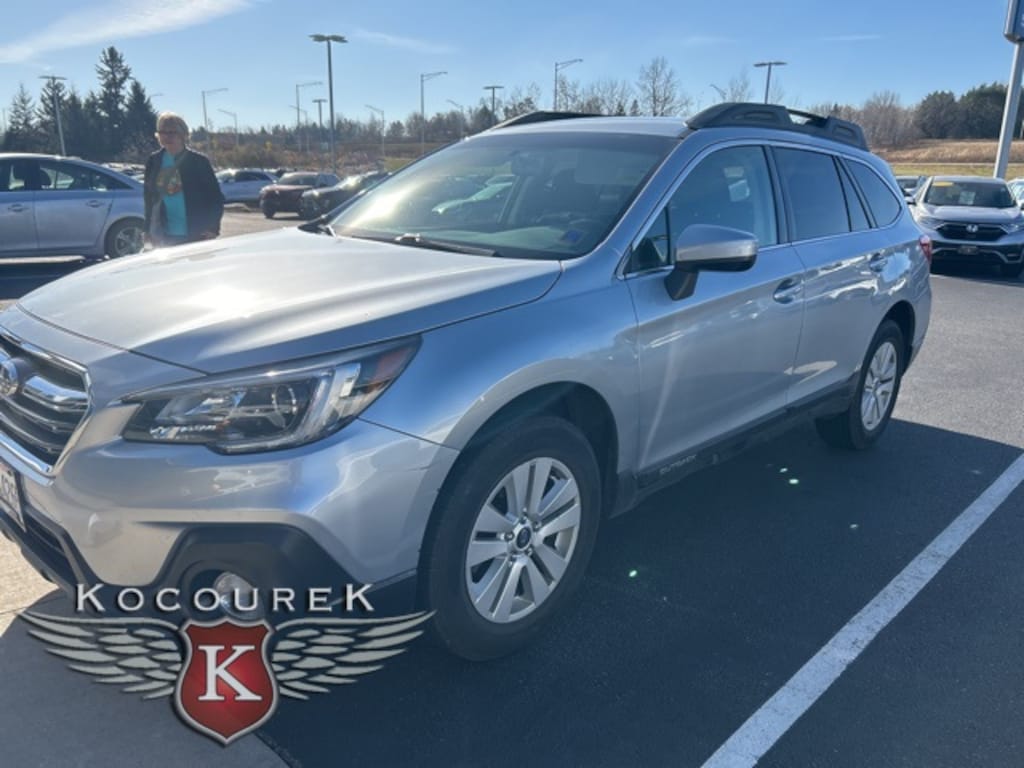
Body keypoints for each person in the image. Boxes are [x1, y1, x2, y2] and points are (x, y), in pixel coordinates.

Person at [143, 112, 224, 247]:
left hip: (197, 232)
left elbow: (215, 197)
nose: (167, 136)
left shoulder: (199, 161)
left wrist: (213, 227)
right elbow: (149, 198)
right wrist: (146, 229)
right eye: (163, 132)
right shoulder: (154, 161)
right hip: (164, 234)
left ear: (183, 135)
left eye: (172, 132)